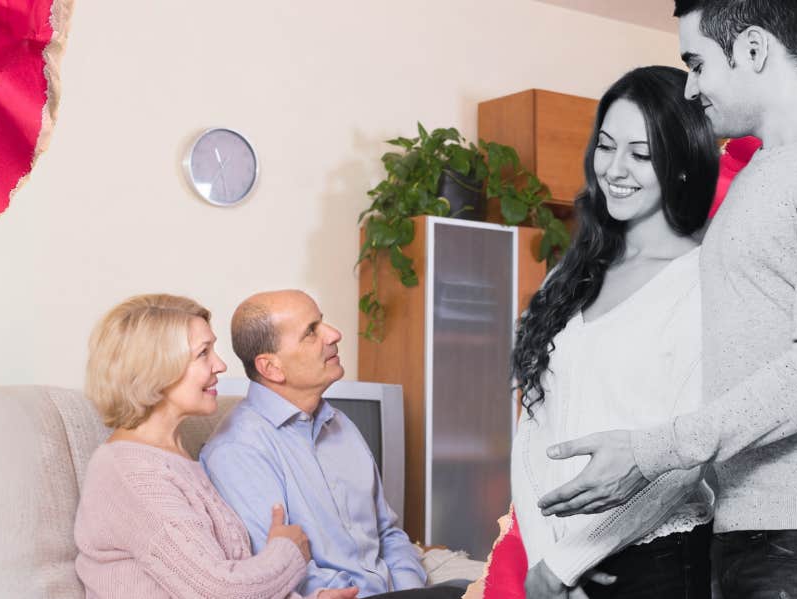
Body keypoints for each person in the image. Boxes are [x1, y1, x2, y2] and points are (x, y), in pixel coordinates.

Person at [535, 1, 797, 597]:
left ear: (752, 49)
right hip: (757, 533)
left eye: (697, 63)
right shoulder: (758, 177)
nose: (690, 88)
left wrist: (649, 451)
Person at [509, 65, 720, 599]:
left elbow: (685, 456)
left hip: (657, 563)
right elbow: (532, 427)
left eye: (641, 154)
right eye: (606, 147)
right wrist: (544, 560)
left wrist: (568, 563)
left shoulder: (702, 280)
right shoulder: (572, 273)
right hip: (554, 564)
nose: (615, 169)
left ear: (681, 165)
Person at [73, 293, 359, 599]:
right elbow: (217, 590)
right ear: (156, 369)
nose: (220, 365)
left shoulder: (174, 458)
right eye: (203, 354)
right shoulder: (132, 474)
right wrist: (289, 552)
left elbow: (226, 574)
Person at [200, 290, 462, 599]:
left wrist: (410, 590)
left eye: (322, 322)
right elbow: (270, 571)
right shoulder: (236, 451)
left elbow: (388, 533)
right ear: (271, 368)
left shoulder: (341, 424)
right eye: (311, 332)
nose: (334, 334)